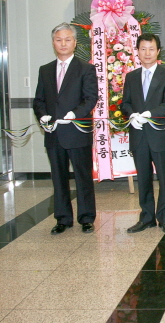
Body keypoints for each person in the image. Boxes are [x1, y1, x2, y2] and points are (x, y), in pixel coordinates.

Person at [33, 22, 98, 235]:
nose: (63, 43)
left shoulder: (86, 69)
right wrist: (43, 116)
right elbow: (39, 100)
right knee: (58, 178)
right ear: (53, 42)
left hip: (77, 132)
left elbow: (90, 98)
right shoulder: (45, 70)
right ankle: (63, 219)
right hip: (54, 134)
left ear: (75, 42)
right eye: (59, 40)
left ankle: (86, 218)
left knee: (83, 177)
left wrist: (74, 115)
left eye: (67, 39)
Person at [121, 33, 165, 234]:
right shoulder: (131, 77)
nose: (147, 53)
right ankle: (146, 218)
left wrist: (148, 114)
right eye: (143, 49)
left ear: (158, 51)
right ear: (137, 51)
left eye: (151, 49)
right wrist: (132, 115)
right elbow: (125, 103)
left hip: (160, 135)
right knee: (143, 179)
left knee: (164, 179)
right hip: (139, 136)